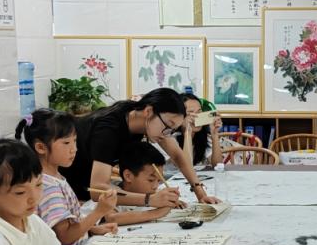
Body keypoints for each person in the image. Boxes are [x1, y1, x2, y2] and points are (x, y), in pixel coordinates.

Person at [60, 88, 219, 208]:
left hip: (85, 188)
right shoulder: (108, 129)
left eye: (172, 130)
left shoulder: (139, 116)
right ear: (148, 111)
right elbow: (97, 190)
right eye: (168, 126)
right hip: (69, 188)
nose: (167, 135)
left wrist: (200, 193)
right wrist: (150, 200)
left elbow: (177, 156)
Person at [16, 108, 118, 245]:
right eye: (66, 143)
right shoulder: (47, 186)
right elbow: (65, 237)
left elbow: (67, 225)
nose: (74, 149)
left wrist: (90, 229)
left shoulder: (55, 177)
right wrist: (99, 211)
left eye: (75, 141)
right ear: (41, 147)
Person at [101, 142, 175, 226]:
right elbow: (112, 218)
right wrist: (157, 213)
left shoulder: (147, 191)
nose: (155, 186)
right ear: (128, 176)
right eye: (151, 180)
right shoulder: (112, 193)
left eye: (159, 180)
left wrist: (169, 200)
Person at [173, 93, 224, 169]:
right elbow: (186, 168)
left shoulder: (203, 136)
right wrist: (188, 132)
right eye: (190, 113)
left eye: (199, 112)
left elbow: (218, 166)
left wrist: (214, 135)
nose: (197, 117)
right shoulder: (171, 138)